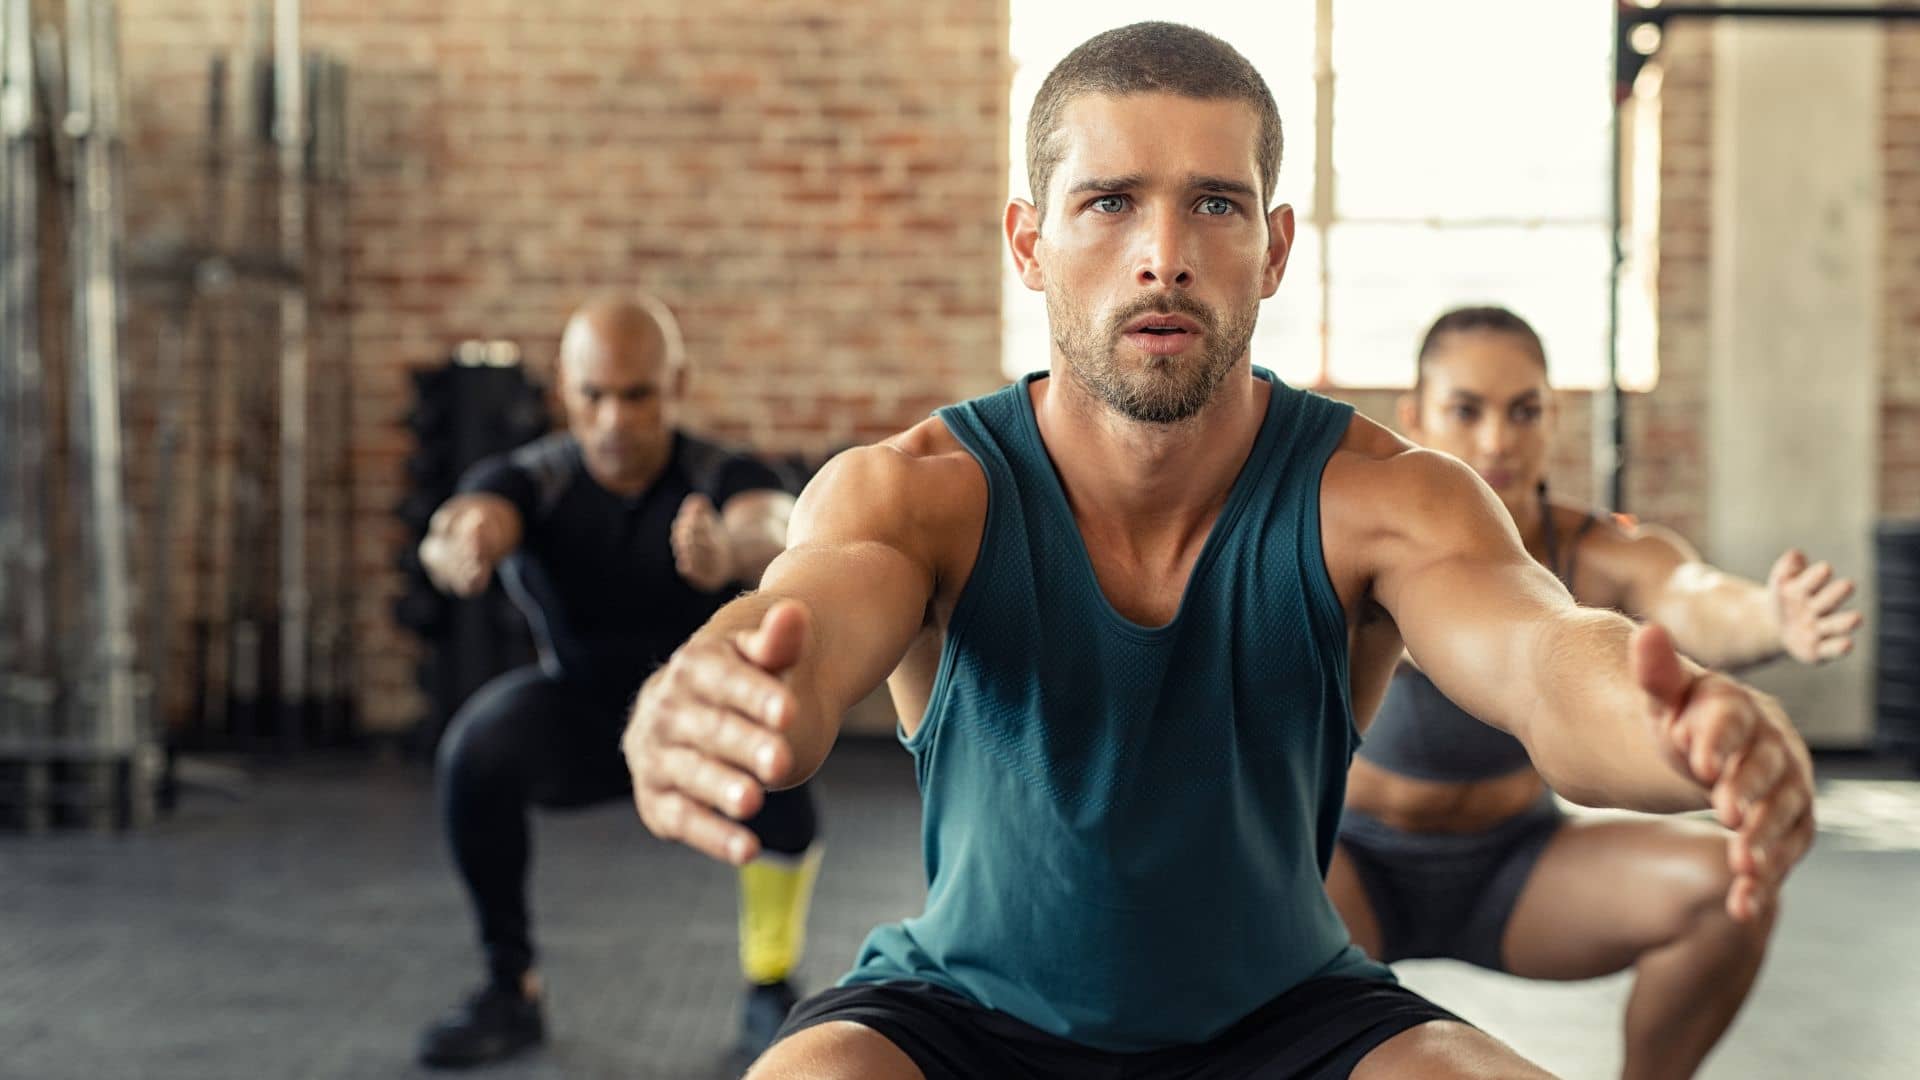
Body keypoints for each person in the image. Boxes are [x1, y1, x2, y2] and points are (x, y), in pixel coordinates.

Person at [622, 23, 1816, 1079]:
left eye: (1214, 203)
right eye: (1109, 203)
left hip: (1291, 1014)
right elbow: (807, 621)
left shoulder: (1387, 497)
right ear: (1029, 243)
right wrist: (719, 682)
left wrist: (1678, 728)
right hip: (965, 1015)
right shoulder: (922, 492)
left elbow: (1547, 660)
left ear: (1275, 244)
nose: (1164, 255)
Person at [1325, 305, 1859, 1080]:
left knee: (1728, 883)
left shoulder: (1590, 546)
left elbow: (1689, 591)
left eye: (1524, 410)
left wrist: (1770, 615)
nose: (1497, 440)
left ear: (1554, 417)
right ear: (1414, 416)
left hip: (1512, 866)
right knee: (1242, 917)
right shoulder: (1366, 535)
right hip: (1353, 862)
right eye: (1466, 410)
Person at [414, 296, 823, 1069]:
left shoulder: (718, 473)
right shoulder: (538, 478)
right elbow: (467, 520)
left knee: (781, 740)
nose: (612, 420)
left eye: (636, 395)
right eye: (592, 395)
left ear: (675, 385)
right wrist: (459, 547)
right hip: (584, 717)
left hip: (705, 722)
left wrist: (729, 550)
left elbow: (776, 523)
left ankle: (769, 983)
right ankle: (511, 988)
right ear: (565, 389)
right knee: (476, 752)